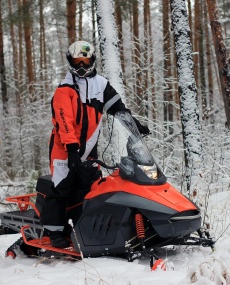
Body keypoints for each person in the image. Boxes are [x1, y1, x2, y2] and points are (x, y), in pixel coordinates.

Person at [40, 41, 149, 248]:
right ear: (70, 62)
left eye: (85, 61)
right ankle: (53, 232)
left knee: (91, 188)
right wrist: (72, 149)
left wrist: (133, 125)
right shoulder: (65, 90)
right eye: (77, 61)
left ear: (92, 61)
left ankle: (85, 229)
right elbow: (64, 122)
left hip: (89, 148)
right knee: (62, 187)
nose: (81, 65)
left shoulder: (101, 84)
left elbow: (117, 107)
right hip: (64, 148)